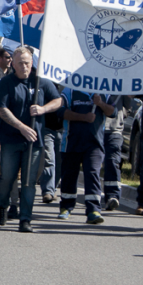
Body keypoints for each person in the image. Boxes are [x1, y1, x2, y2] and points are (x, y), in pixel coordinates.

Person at [0, 47, 61, 233]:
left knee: (29, 182)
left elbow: (58, 100)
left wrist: (43, 109)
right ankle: (3, 204)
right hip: (11, 140)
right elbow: (1, 108)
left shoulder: (40, 82)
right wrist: (21, 127)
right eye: (20, 63)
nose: (24, 66)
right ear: (13, 64)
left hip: (34, 142)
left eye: (27, 63)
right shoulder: (6, 82)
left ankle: (25, 218)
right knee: (7, 177)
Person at [56, 89, 116, 224]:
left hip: (94, 144)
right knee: (69, 175)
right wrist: (83, 117)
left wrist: (100, 103)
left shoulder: (103, 92)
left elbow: (113, 112)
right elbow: (60, 112)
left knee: (93, 173)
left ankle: (93, 210)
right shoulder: (70, 90)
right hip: (71, 142)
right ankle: (66, 206)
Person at [103, 96, 134, 210]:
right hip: (93, 127)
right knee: (93, 164)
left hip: (114, 128)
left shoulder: (120, 80)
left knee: (112, 160)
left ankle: (112, 196)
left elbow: (128, 105)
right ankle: (93, 196)